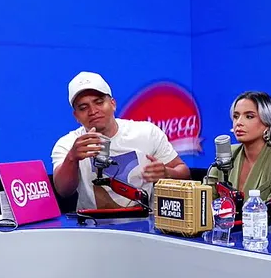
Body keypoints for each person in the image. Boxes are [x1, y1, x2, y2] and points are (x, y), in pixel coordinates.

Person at [51, 72, 189, 210]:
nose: (93, 111)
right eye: (83, 108)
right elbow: (63, 191)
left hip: (145, 222)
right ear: (76, 116)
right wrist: (72, 158)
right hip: (92, 222)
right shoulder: (67, 144)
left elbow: (184, 174)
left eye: (99, 102)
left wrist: (167, 174)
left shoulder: (148, 133)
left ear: (113, 104)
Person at [205, 91, 271, 222]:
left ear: (267, 122)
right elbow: (204, 201)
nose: (239, 123)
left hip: (263, 233)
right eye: (236, 116)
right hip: (224, 231)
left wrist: (234, 220)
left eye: (249, 116)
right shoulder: (227, 153)